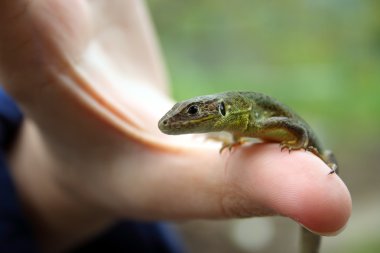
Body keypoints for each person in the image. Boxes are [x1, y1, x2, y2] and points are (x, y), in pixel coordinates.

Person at [0, 1, 351, 252]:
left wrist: (302, 143)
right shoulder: (239, 124)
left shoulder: (258, 118)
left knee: (318, 181)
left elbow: (294, 128)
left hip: (319, 151)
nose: (181, 122)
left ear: (222, 108)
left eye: (194, 112)